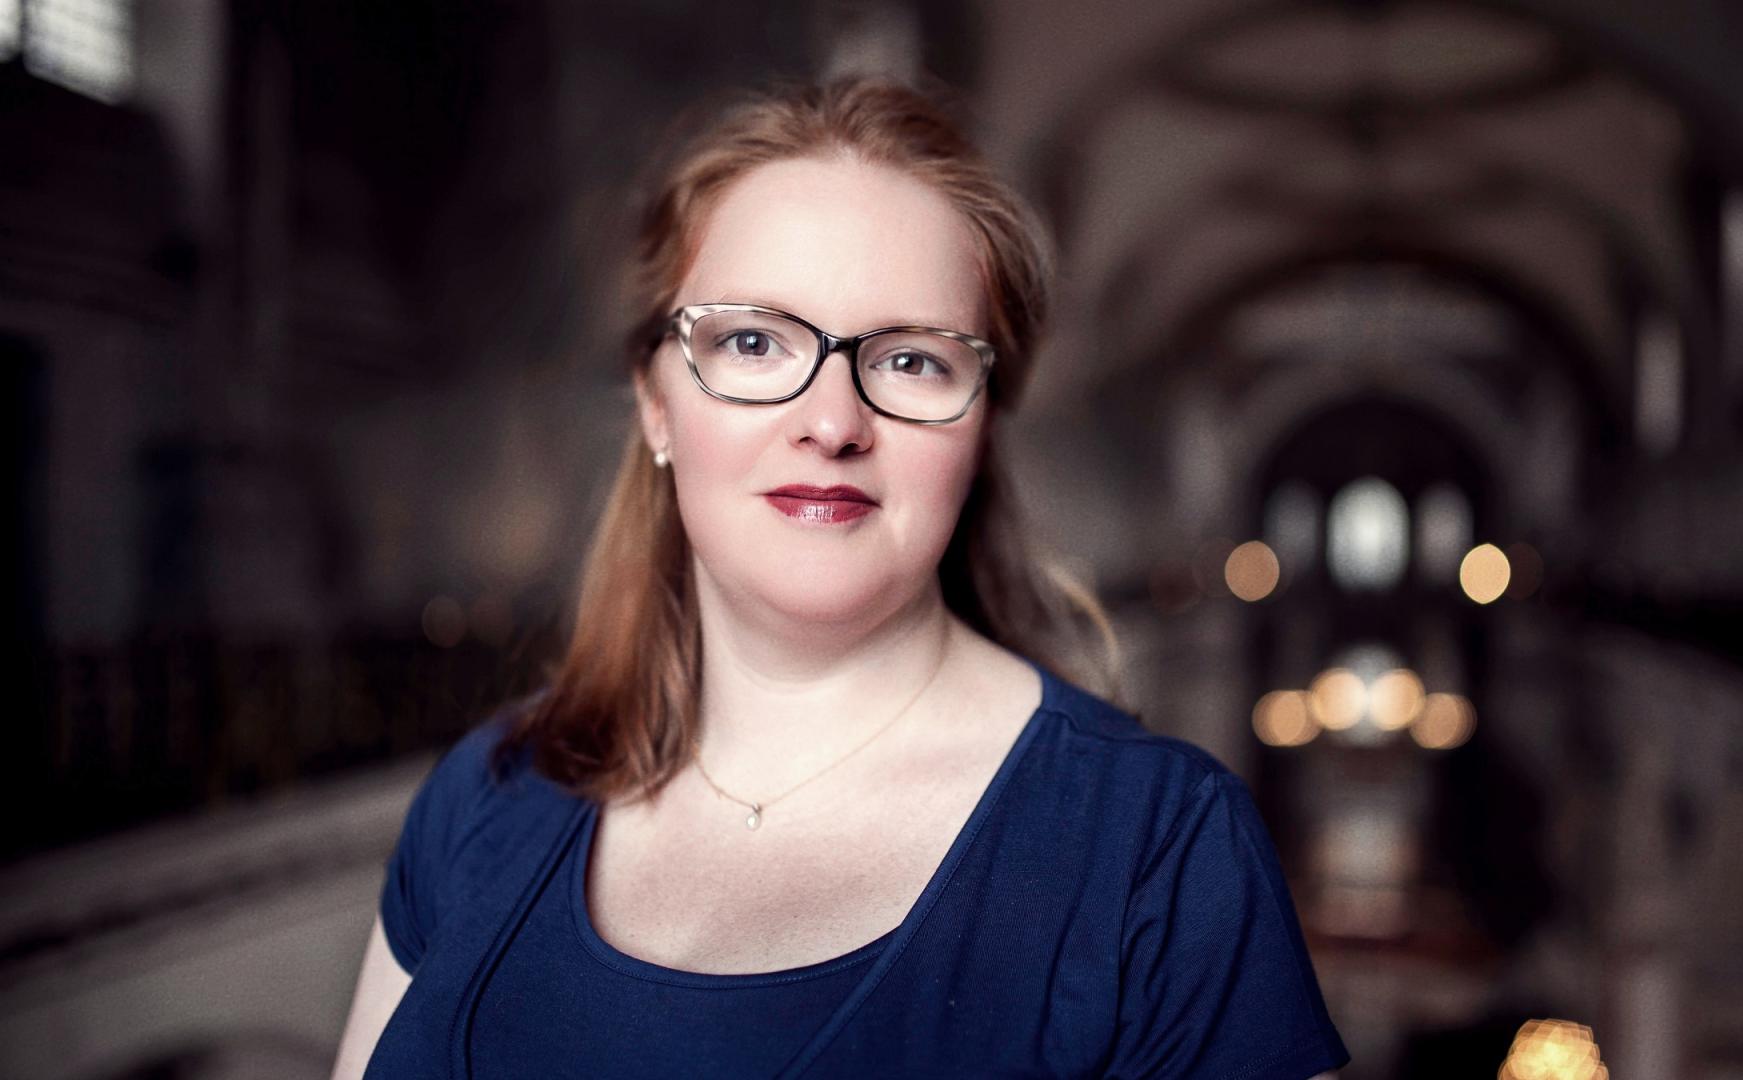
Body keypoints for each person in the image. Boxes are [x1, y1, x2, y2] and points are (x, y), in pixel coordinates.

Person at [330, 76, 1349, 1080]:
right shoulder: (486, 795)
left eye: (912, 361)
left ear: (984, 425)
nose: (830, 423)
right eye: (753, 341)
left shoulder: (1161, 849)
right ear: (655, 404)